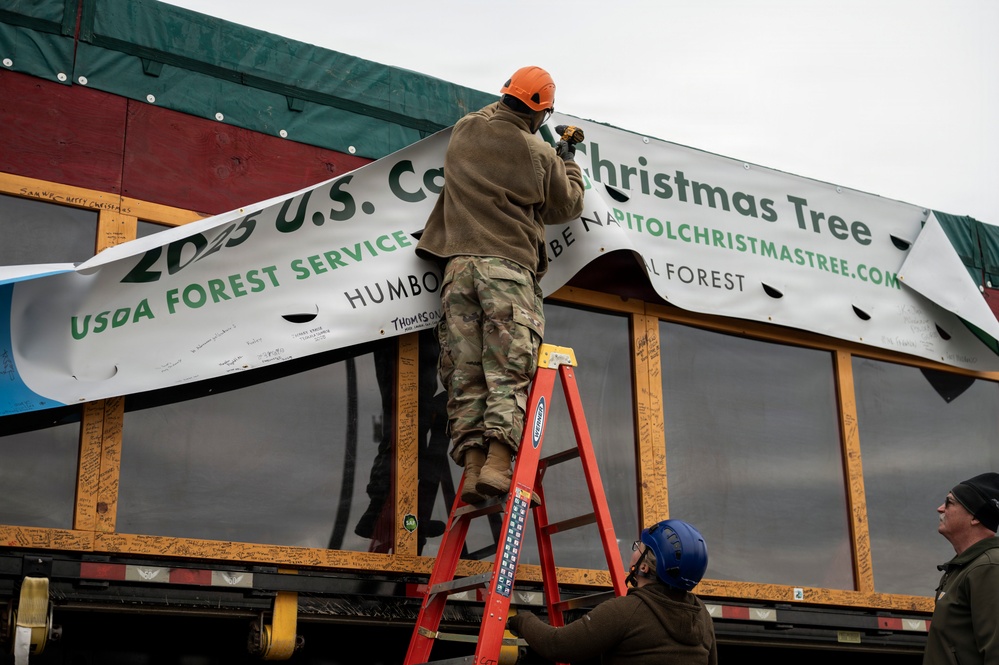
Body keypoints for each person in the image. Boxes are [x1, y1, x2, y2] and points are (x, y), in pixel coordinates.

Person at [415, 66, 585, 503]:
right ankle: (496, 464)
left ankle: (472, 470)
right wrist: (567, 157)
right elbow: (566, 205)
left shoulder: (466, 130)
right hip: (506, 271)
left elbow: (496, 117)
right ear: (541, 112)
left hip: (458, 271)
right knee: (508, 369)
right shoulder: (539, 154)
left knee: (465, 372)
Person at [507, 519, 718, 665]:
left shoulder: (627, 611)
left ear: (644, 567)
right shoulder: (702, 616)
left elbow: (557, 645)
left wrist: (522, 620)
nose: (634, 551)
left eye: (639, 547)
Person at [923, 472, 999, 665]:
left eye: (949, 503)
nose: (940, 509)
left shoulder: (989, 567)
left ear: (974, 517)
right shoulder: (965, 568)